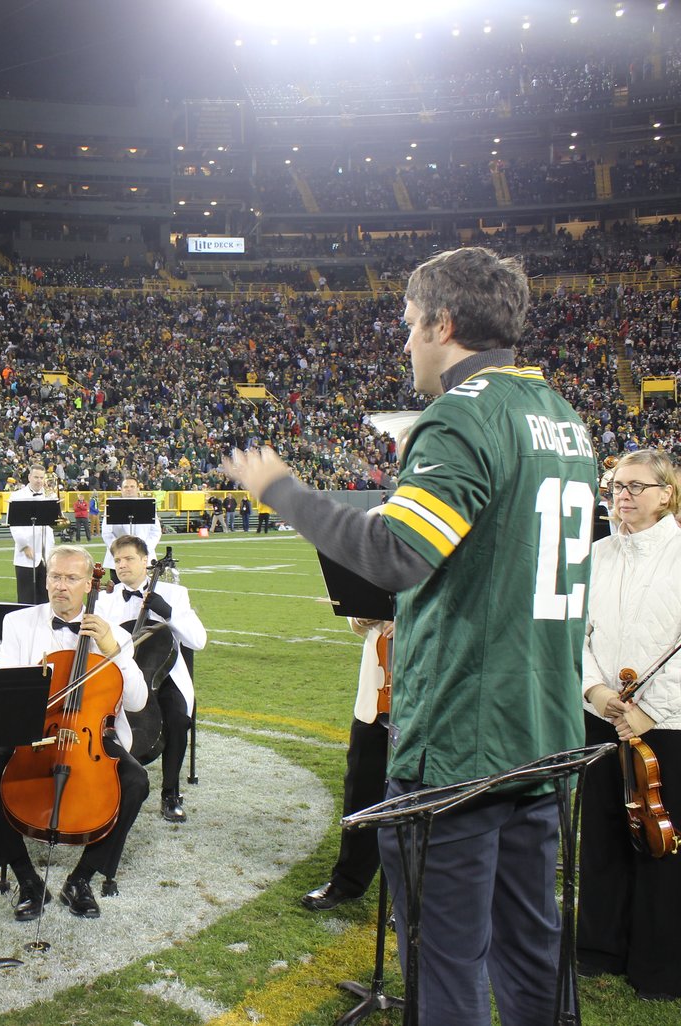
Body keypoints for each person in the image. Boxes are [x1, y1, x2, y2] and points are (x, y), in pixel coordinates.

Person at [223, 247, 598, 1026]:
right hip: (543, 728)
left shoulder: (464, 413)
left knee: (444, 957)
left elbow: (396, 553)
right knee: (533, 954)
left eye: (407, 324)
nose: (403, 343)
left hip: (464, 740)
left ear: (443, 323)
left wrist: (282, 491)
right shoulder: (562, 416)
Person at [0, 545, 149, 920]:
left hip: (91, 736)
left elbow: (135, 701)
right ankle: (26, 877)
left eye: (71, 579)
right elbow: (3, 686)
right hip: (32, 730)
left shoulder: (114, 633)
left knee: (136, 781)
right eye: (55, 577)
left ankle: (82, 878)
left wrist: (112, 650)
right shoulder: (19, 623)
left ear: (89, 584)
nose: (61, 586)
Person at [577, 449, 681, 1001]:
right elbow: (579, 633)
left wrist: (650, 709)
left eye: (637, 486)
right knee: (603, 837)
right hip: (603, 717)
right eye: (616, 485)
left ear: (667, 493)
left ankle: (658, 964)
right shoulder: (596, 554)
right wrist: (595, 690)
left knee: (662, 845)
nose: (623, 494)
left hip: (669, 725)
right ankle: (598, 947)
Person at [100, 535, 207, 822]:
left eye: (129, 559)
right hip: (121, 675)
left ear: (146, 561)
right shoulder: (105, 598)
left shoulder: (174, 593)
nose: (122, 565)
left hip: (164, 673)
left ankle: (170, 793)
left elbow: (198, 641)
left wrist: (168, 613)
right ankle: (110, 787)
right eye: (118, 560)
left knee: (177, 720)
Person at [302, 615, 392, 910]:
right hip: (374, 702)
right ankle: (348, 880)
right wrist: (362, 615)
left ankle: (410, 897)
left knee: (419, 799)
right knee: (361, 792)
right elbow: (360, 623)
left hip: (425, 704)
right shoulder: (388, 566)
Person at [8, 465, 55, 604]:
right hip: (26, 555)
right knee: (26, 597)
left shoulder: (49, 496)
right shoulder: (17, 496)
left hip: (46, 555)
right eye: (36, 477)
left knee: (45, 598)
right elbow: (14, 526)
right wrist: (24, 546)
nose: (39, 480)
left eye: (41, 477)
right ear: (29, 477)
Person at [101, 477, 161, 573]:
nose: (129, 489)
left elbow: (155, 531)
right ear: (121, 490)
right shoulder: (111, 506)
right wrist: (118, 549)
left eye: (132, 486)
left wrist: (144, 549)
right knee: (118, 587)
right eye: (126, 487)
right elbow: (106, 532)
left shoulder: (148, 506)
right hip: (118, 557)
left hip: (144, 558)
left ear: (138, 489)